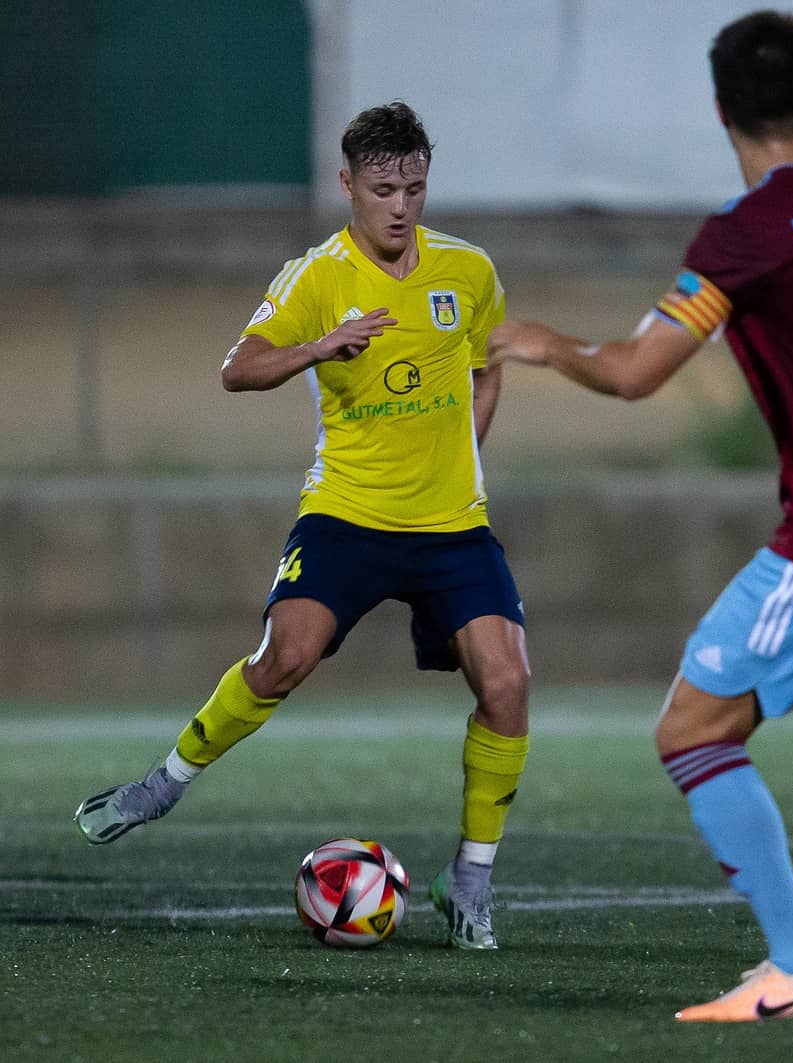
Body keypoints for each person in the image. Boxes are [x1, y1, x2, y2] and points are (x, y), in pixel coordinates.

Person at [489, 11, 793, 1020]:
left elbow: (634, 374)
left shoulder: (745, 234)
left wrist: (544, 342)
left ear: (720, 109)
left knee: (694, 728)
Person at [74, 101, 530, 951]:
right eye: (384, 188)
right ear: (348, 184)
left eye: (416, 188)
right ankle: (162, 783)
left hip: (451, 526)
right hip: (346, 513)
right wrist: (319, 349)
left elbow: (486, 363)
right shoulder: (315, 276)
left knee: (506, 686)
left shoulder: (467, 270)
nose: (401, 206)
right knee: (284, 657)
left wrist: (461, 458)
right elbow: (236, 369)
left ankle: (469, 880)